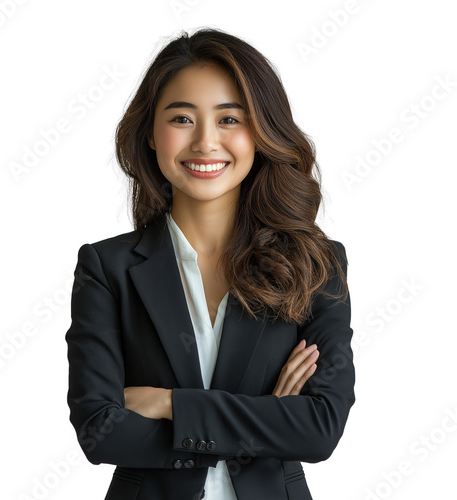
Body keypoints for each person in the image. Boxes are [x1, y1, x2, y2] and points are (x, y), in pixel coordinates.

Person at [65, 27, 355, 500]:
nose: (205, 142)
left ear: (260, 134)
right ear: (151, 135)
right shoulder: (106, 267)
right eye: (181, 118)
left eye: (229, 120)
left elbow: (320, 428)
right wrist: (265, 419)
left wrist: (168, 404)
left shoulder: (315, 263)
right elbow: (101, 431)